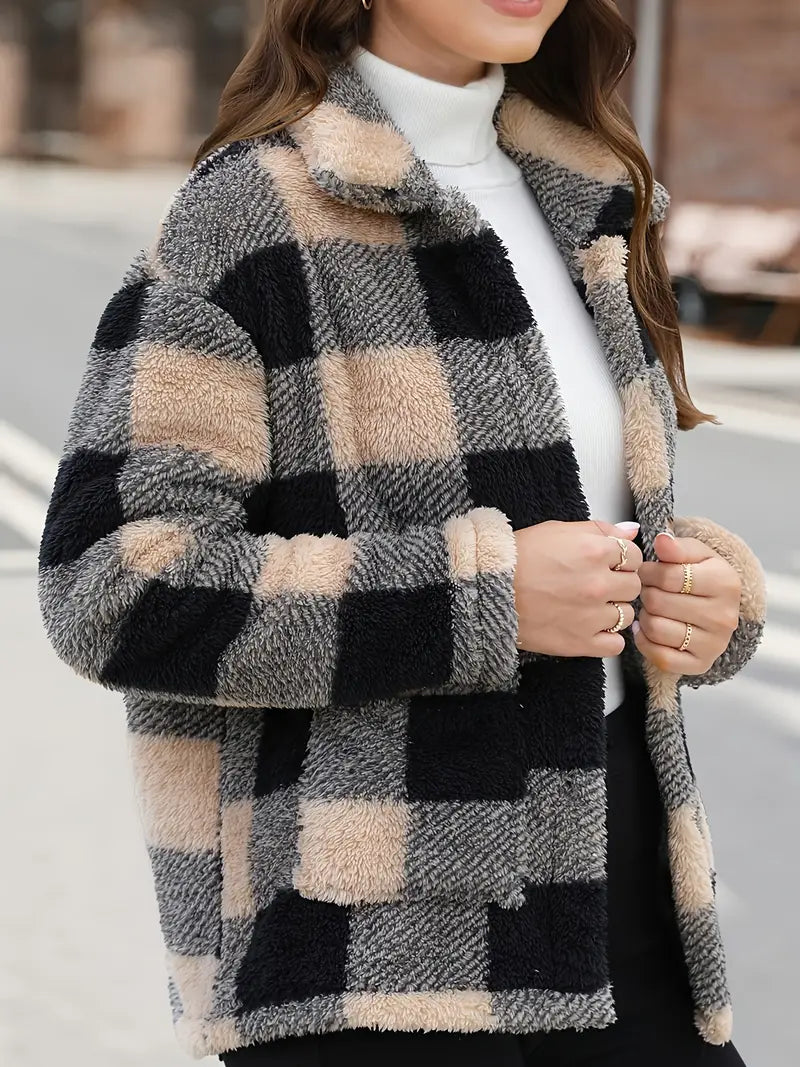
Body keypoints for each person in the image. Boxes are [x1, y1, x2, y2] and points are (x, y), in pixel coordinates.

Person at [38, 0, 767, 1064]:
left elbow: (585, 516)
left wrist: (699, 597)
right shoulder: (247, 213)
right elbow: (113, 587)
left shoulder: (591, 198)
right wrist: (483, 598)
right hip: (369, 950)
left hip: (619, 880)